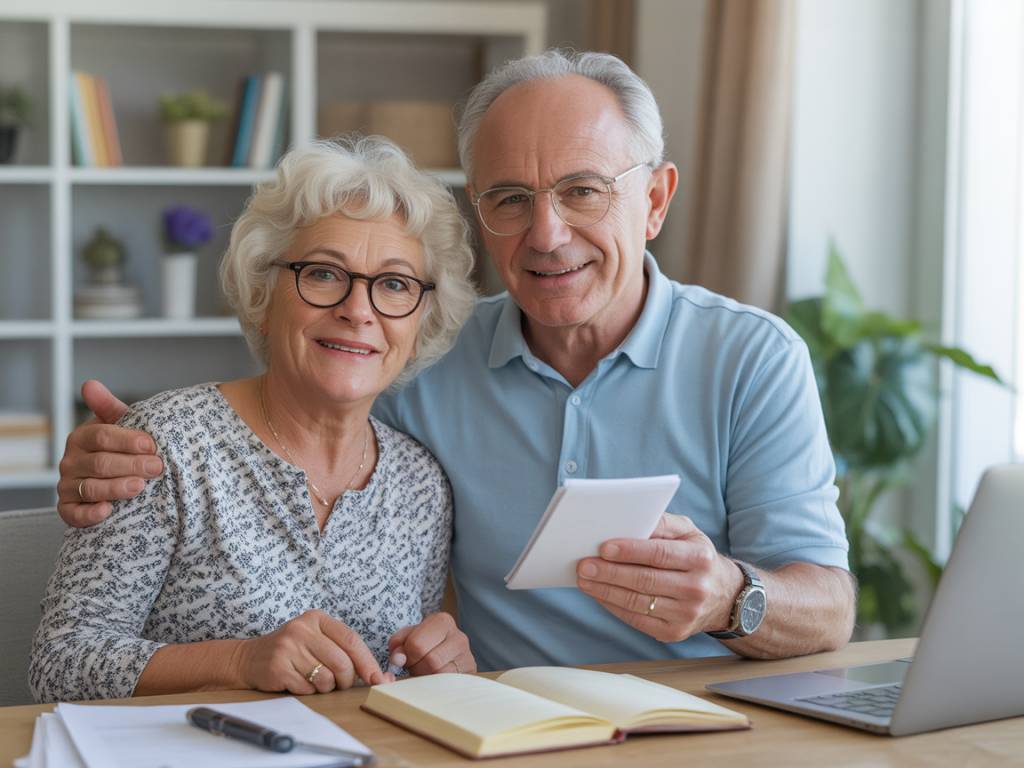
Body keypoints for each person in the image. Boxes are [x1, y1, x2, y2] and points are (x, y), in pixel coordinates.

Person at [55, 51, 856, 672]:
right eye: (510, 198)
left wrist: (729, 598)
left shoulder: (751, 358)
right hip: (489, 729)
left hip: (700, 730)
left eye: (582, 190)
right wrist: (116, 457)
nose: (545, 234)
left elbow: (828, 609)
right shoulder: (424, 354)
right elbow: (303, 415)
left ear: (653, 201)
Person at [30, 136, 479, 703]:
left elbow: (398, 679)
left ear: (420, 326)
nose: (358, 310)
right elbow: (60, 661)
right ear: (263, 298)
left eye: (394, 284)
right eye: (321, 273)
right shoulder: (165, 444)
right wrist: (242, 658)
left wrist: (444, 662)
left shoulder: (420, 484)